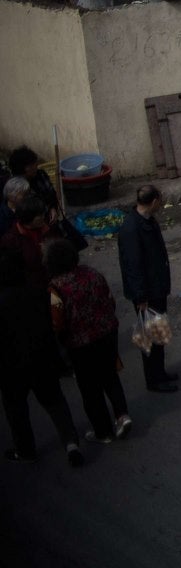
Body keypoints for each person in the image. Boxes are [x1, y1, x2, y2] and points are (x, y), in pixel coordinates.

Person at [0, 248, 83, 466]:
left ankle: (25, 450)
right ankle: (71, 442)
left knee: (16, 409)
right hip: (43, 358)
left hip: (12, 367)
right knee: (55, 401)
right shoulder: (39, 293)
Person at [45, 239, 131, 443]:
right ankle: (122, 415)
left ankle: (103, 432)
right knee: (110, 377)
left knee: (90, 388)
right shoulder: (92, 274)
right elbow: (110, 301)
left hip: (81, 344)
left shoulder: (56, 288)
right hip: (107, 333)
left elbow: (57, 322)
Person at [116, 185, 178, 392]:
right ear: (154, 201)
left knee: (158, 331)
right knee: (151, 336)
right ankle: (154, 379)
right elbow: (133, 266)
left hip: (156, 286)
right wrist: (140, 296)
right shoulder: (132, 228)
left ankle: (159, 372)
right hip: (147, 292)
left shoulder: (147, 221)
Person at [0, 197, 52, 292]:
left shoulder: (46, 229)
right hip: (28, 288)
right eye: (40, 215)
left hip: (48, 281)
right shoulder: (11, 240)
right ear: (28, 217)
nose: (43, 217)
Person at [7, 147, 60, 219]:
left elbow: (52, 194)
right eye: (31, 165)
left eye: (35, 163)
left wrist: (53, 208)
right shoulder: (15, 187)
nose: (36, 166)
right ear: (22, 168)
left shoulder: (41, 175)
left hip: (50, 217)